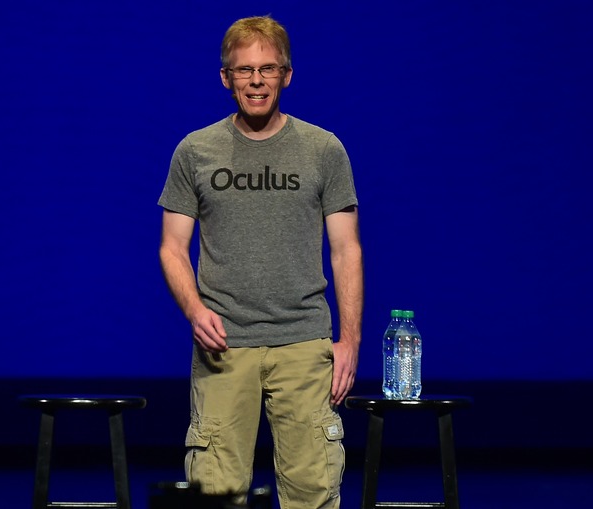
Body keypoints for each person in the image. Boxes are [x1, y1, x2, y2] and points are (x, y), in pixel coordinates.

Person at [157, 15, 363, 509]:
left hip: (304, 344)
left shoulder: (323, 149)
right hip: (224, 346)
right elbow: (171, 247)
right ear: (225, 78)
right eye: (244, 70)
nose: (256, 80)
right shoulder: (195, 151)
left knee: (312, 493)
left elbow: (346, 249)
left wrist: (350, 340)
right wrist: (195, 311)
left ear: (286, 75)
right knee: (216, 494)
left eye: (268, 69)